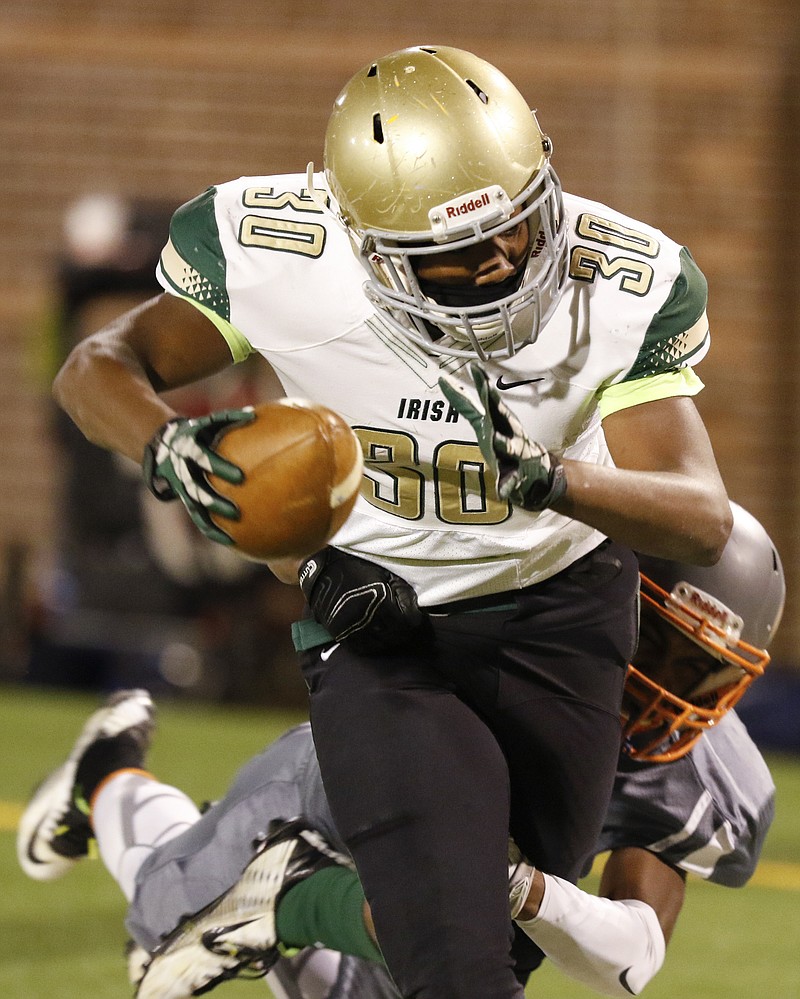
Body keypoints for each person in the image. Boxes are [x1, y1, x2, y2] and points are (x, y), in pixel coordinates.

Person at [50, 44, 732, 999]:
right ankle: (255, 887)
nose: (505, 259)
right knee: (454, 962)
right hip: (376, 620)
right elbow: (99, 366)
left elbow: (702, 518)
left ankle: (216, 861)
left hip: (560, 623)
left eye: (519, 224)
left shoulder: (615, 277)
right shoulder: (288, 257)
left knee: (474, 939)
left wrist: (551, 479)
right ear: (368, 244)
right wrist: (167, 448)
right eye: (460, 250)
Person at [16, 504, 783, 999]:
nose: (665, 692)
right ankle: (111, 774)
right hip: (349, 789)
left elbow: (632, 958)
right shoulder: (513, 646)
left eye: (699, 670)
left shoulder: (711, 781)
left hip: (473, 878)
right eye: (653, 643)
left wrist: (519, 887)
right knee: (161, 922)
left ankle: (291, 904)